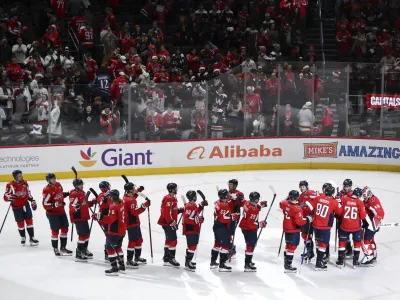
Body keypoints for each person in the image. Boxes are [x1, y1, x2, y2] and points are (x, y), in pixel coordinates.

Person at [306, 185, 342, 271]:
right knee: (323, 244)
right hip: (325, 227)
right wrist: (339, 201)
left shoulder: (318, 198)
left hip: (315, 225)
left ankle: (320, 260)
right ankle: (319, 263)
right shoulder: (333, 202)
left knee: (318, 243)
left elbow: (312, 208)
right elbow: (340, 213)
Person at [94, 189, 126, 276]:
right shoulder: (121, 203)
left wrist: (100, 217)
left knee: (109, 248)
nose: (109, 198)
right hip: (122, 230)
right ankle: (122, 265)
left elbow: (111, 219)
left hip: (114, 231)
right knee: (118, 247)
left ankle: (114, 268)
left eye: (109, 196)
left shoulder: (113, 206)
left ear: (112, 197)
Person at [3, 170, 39, 246]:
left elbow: (28, 193)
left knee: (29, 221)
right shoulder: (10, 185)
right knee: (20, 223)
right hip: (16, 207)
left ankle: (32, 237)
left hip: (25, 205)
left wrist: (32, 200)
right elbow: (5, 196)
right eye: (19, 176)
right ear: (15, 177)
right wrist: (10, 197)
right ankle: (23, 237)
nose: (21, 177)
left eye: (21, 175)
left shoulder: (25, 183)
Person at [280, 190, 311, 273]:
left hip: (286, 228)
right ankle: (288, 266)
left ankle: (286, 264)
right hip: (293, 229)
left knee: (288, 245)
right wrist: (307, 219)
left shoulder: (285, 203)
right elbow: (300, 222)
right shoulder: (297, 209)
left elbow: (281, 203)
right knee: (292, 247)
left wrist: (287, 198)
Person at [42, 173, 72, 256]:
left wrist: (67, 193)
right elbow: (45, 204)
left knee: (65, 229)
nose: (54, 180)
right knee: (55, 231)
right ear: (48, 181)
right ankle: (55, 248)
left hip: (61, 211)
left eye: (54, 178)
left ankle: (63, 247)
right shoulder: (46, 190)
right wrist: (53, 205)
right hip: (52, 214)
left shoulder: (58, 185)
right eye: (52, 179)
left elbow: (60, 195)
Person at [336, 187, 367, 268]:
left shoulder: (345, 199)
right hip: (356, 227)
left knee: (342, 243)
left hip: (344, 226)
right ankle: (355, 262)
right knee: (357, 244)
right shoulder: (360, 202)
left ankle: (340, 261)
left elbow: (339, 212)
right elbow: (363, 216)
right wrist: (365, 223)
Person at [239, 192, 267, 272]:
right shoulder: (253, 210)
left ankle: (248, 261)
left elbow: (255, 206)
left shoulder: (247, 202)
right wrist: (260, 224)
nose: (258, 200)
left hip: (244, 226)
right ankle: (247, 264)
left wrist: (261, 205)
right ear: (255, 200)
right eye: (258, 199)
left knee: (250, 245)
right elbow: (251, 224)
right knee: (251, 245)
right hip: (249, 229)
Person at [123, 182, 149, 269]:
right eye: (133, 188)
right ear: (130, 190)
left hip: (134, 222)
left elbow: (133, 196)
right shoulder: (130, 200)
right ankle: (129, 260)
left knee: (139, 240)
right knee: (133, 241)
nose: (135, 189)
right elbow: (134, 212)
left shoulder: (126, 196)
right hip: (131, 223)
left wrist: (139, 190)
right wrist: (144, 206)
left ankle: (137, 257)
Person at [212, 189, 238, 272]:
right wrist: (232, 217)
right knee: (226, 245)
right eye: (227, 195)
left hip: (216, 225)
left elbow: (221, 214)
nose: (228, 196)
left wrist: (232, 200)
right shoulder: (224, 205)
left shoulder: (217, 202)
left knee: (217, 244)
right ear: (223, 196)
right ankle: (222, 265)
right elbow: (223, 218)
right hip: (222, 226)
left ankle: (213, 262)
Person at [157, 183, 183, 268]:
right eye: (175, 188)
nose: (176, 189)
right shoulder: (168, 199)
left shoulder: (172, 198)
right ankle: (171, 259)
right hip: (167, 223)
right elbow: (165, 212)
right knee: (173, 240)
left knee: (168, 240)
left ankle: (166, 259)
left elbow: (173, 210)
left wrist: (180, 210)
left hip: (169, 222)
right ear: (172, 189)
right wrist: (171, 222)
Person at [69, 178, 94, 261]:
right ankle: (78, 252)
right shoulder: (73, 194)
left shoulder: (82, 192)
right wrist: (77, 206)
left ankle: (84, 249)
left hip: (84, 216)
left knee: (87, 234)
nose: (82, 186)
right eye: (80, 185)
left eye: (82, 184)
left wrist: (92, 202)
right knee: (82, 235)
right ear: (75, 186)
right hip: (78, 217)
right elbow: (72, 206)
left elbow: (85, 204)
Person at [182, 190, 208, 271]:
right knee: (192, 246)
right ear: (193, 197)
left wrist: (201, 206)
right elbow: (186, 219)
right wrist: (199, 219)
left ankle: (187, 262)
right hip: (190, 229)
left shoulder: (193, 205)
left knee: (191, 246)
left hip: (192, 229)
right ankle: (188, 262)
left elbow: (194, 213)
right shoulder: (190, 206)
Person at [361, 186, 385, 266]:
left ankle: (369, 257)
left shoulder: (373, 200)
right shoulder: (367, 200)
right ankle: (374, 255)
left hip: (374, 222)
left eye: (365, 195)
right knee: (371, 239)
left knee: (366, 239)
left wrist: (375, 224)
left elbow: (381, 213)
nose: (363, 196)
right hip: (371, 221)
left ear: (369, 193)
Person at [298, 180, 317, 261]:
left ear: (306, 186)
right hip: (304, 218)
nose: (302, 188)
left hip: (311, 218)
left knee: (310, 236)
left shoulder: (311, 193)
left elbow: (317, 200)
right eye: (301, 187)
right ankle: (310, 252)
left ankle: (311, 253)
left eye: (303, 187)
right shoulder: (301, 196)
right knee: (305, 235)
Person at [227, 179, 245, 258]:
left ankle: (231, 248)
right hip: (226, 215)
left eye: (231, 184)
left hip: (234, 215)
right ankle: (230, 246)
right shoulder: (227, 193)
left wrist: (239, 200)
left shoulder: (239, 193)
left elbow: (242, 204)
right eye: (229, 184)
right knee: (226, 231)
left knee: (230, 232)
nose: (229, 186)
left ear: (235, 186)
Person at [96, 181, 112, 261]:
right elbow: (102, 200)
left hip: (110, 218)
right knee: (108, 236)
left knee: (111, 235)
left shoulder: (109, 195)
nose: (109, 187)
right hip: (104, 219)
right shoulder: (101, 196)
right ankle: (107, 253)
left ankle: (110, 252)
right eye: (108, 186)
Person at [339, 179, 354, 257]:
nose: (345, 188)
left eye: (347, 186)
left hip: (350, 218)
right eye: (344, 186)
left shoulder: (353, 194)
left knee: (351, 235)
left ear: (350, 187)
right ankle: (348, 249)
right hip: (341, 217)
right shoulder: (341, 193)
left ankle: (351, 250)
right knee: (343, 236)